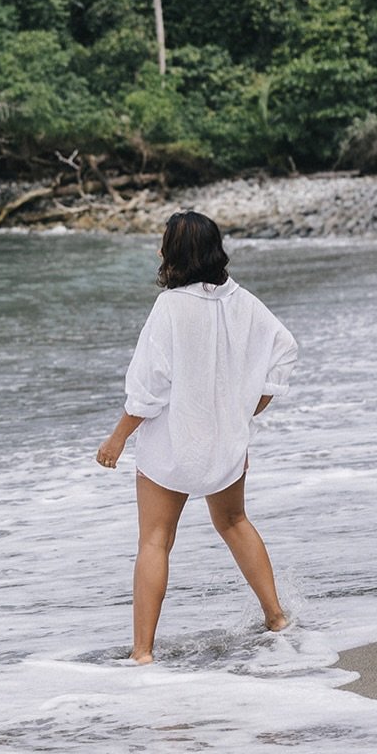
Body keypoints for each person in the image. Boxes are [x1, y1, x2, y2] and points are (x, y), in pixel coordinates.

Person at [96, 210, 298, 663]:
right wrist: (247, 409)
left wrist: (117, 439)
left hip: (172, 444)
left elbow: (150, 387)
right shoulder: (241, 301)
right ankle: (277, 617)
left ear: (176, 253)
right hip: (226, 443)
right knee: (233, 522)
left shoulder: (170, 306)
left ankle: (142, 653)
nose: (158, 249)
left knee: (155, 540)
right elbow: (284, 347)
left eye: (163, 241)